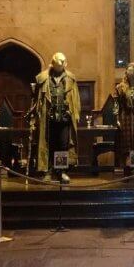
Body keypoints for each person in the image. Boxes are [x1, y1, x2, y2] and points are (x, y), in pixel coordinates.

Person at [33, 52, 80, 183]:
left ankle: (61, 171)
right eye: (58, 65)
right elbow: (36, 99)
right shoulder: (43, 78)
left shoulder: (71, 78)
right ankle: (47, 171)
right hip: (48, 118)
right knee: (48, 144)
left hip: (65, 118)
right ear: (53, 64)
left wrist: (75, 114)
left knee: (63, 145)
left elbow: (76, 99)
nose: (60, 68)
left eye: (62, 65)